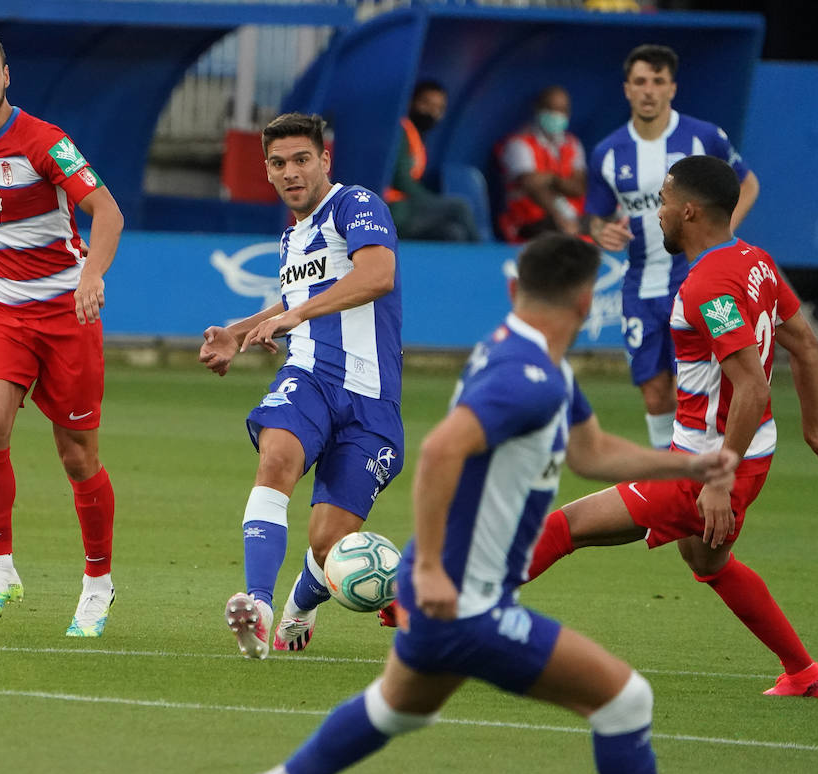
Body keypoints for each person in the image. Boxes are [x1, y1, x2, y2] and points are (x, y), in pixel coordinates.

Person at [232, 233, 762, 774]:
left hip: (450, 596)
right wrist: (427, 573)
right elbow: (439, 454)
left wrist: (686, 464)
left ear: (515, 291)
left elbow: (591, 452)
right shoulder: (528, 377)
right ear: (582, 299)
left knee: (396, 709)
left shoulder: (529, 359)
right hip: (466, 603)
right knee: (627, 700)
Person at [527, 156, 818, 698]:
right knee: (707, 560)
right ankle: (805, 673)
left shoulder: (705, 287)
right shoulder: (754, 260)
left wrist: (716, 481)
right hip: (747, 452)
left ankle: (427, 614)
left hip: (708, 465)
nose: (657, 212)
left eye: (664, 200)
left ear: (688, 210)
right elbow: (803, 343)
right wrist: (815, 432)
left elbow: (754, 384)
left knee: (567, 526)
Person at [200, 112, 404, 658]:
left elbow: (377, 274)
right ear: (266, 170)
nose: (290, 172)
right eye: (278, 163)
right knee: (277, 456)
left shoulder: (355, 205)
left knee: (328, 542)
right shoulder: (292, 234)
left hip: (371, 397)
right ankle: (259, 607)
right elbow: (297, 302)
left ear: (324, 161)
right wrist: (239, 332)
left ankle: (299, 608)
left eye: (301, 159)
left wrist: (295, 315)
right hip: (310, 375)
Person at [0, 30, 124, 637]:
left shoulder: (46, 142)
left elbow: (108, 211)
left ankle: (97, 585)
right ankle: (1, 570)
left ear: (6, 76)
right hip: (0, 311)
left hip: (66, 314)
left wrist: (90, 276)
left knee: (78, 460)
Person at [585, 44, 760, 449]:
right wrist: (600, 231)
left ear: (672, 88)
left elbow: (747, 184)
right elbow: (596, 214)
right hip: (641, 286)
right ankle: (671, 480)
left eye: (658, 82)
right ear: (627, 89)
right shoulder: (607, 153)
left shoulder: (704, 137)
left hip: (698, 281)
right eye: (641, 81)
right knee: (654, 394)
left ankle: (706, 471)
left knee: (698, 386)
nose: (649, 91)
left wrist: (721, 233)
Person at [384, 81, 481, 242]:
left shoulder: (417, 136)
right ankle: (484, 258)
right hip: (394, 210)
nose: (431, 112)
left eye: (438, 108)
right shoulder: (400, 131)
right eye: (425, 104)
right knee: (459, 207)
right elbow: (401, 181)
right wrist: (431, 200)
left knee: (453, 233)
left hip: (407, 208)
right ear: (411, 103)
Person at [495, 85, 587, 243]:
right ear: (538, 109)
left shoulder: (572, 144)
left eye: (562, 110)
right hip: (530, 221)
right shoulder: (519, 143)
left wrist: (552, 179)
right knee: (561, 232)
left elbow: (579, 187)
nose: (556, 115)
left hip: (573, 218)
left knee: (611, 223)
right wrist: (559, 216)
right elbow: (531, 185)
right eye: (551, 109)